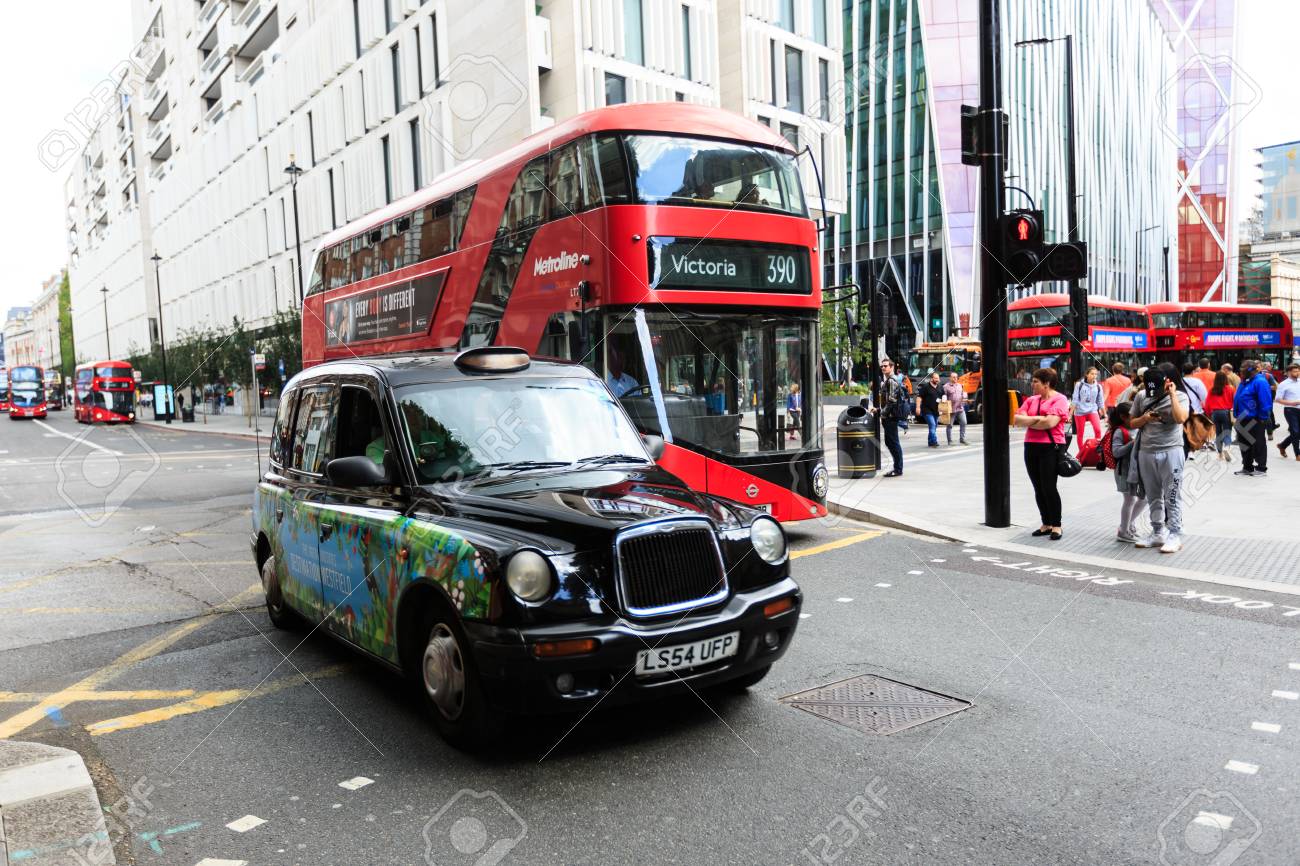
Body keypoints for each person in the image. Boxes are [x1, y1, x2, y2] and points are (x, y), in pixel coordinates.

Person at [1129, 362, 1191, 553]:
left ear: (1167, 382)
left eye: (1156, 389)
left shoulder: (1180, 396)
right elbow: (1132, 423)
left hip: (1171, 450)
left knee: (1172, 495)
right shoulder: (1142, 396)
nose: (1152, 393)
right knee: (1153, 495)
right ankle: (1158, 532)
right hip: (1147, 451)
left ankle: (1175, 534)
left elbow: (1181, 418)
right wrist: (1145, 419)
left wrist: (1172, 395)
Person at [1014, 367, 1069, 540]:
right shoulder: (1032, 400)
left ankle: (1056, 525)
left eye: (1035, 382)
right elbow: (1017, 419)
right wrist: (1040, 419)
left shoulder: (1060, 399)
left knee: (1049, 487)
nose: (1032, 384)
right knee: (1038, 487)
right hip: (1031, 445)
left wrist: (1031, 421)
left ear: (1047, 384)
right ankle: (1046, 523)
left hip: (1051, 447)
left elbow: (1050, 423)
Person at [1104, 402, 1146, 544]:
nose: (1135, 419)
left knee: (1143, 498)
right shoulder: (1119, 431)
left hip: (1135, 470)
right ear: (1123, 417)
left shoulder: (1135, 429)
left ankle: (1128, 524)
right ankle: (1123, 531)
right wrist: (1133, 443)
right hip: (1123, 471)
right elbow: (1116, 452)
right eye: (1132, 416)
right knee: (1130, 500)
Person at [1233, 360, 1274, 476]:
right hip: (1242, 418)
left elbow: (1265, 401)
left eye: (1243, 370)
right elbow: (1238, 398)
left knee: (1258, 443)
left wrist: (1263, 417)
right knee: (1244, 443)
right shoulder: (1245, 381)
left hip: (1256, 418)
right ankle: (1247, 467)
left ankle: (1261, 468)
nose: (1241, 372)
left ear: (1252, 370)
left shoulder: (1260, 382)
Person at [873, 359, 906, 477]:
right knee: (890, 442)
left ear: (891, 367)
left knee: (893, 442)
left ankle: (898, 469)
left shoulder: (891, 381)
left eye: (885, 366)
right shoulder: (888, 380)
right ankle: (897, 467)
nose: (883, 368)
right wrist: (878, 410)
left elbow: (892, 400)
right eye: (882, 366)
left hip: (891, 417)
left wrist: (882, 412)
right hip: (889, 416)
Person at [1204, 370, 1236, 461]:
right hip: (1226, 413)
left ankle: (1220, 454)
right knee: (1227, 431)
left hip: (1215, 413)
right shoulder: (1230, 389)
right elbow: (1235, 401)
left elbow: (1207, 404)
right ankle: (1226, 447)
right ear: (1226, 379)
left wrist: (1208, 414)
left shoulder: (1212, 390)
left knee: (1218, 433)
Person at [1071, 366, 1104, 453]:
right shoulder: (1079, 385)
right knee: (1080, 433)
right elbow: (1075, 399)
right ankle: (1082, 453)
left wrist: (1105, 413)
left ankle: (1097, 451)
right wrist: (1070, 414)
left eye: (1096, 374)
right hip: (1080, 412)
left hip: (1092, 410)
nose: (1094, 376)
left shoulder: (1098, 386)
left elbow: (1100, 401)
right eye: (1092, 374)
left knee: (1098, 430)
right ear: (1087, 375)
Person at [1277, 363, 1300, 461]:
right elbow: (1278, 399)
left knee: (1297, 433)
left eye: (1298, 371)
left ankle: (1282, 445)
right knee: (1295, 431)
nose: (1297, 373)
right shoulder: (1283, 384)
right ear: (1289, 372)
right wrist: (1292, 403)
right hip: (1290, 410)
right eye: (1295, 371)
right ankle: (1298, 454)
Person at [915, 371, 944, 448]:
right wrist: (918, 407)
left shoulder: (940, 386)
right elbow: (919, 397)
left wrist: (943, 403)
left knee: (934, 426)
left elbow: (943, 396)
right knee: (932, 425)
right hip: (927, 410)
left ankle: (930, 442)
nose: (937, 380)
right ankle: (934, 441)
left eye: (938, 378)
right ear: (931, 379)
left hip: (936, 410)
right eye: (935, 378)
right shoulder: (925, 387)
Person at [942, 371, 969, 445]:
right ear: (950, 378)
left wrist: (965, 398)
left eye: (956, 377)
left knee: (964, 422)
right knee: (949, 425)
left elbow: (963, 394)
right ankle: (950, 441)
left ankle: (962, 439)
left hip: (960, 408)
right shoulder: (946, 386)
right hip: (951, 409)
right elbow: (943, 397)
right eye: (953, 377)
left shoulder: (960, 385)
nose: (955, 378)